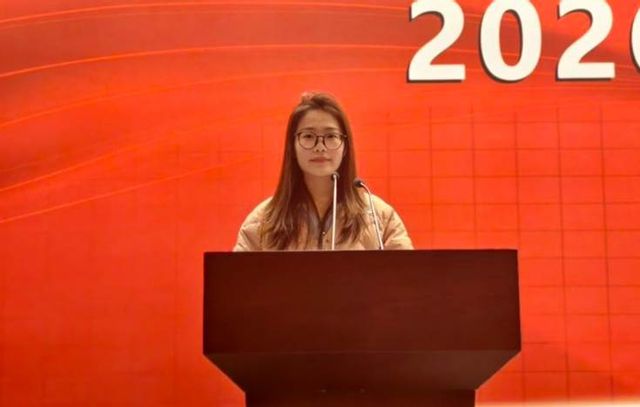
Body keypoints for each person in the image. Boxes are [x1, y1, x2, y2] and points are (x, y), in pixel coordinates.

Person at [233, 92, 413, 251]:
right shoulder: (263, 220)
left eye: (331, 136)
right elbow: (239, 277)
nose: (320, 147)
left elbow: (406, 275)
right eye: (308, 136)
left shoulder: (379, 216)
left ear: (345, 146)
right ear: (292, 146)